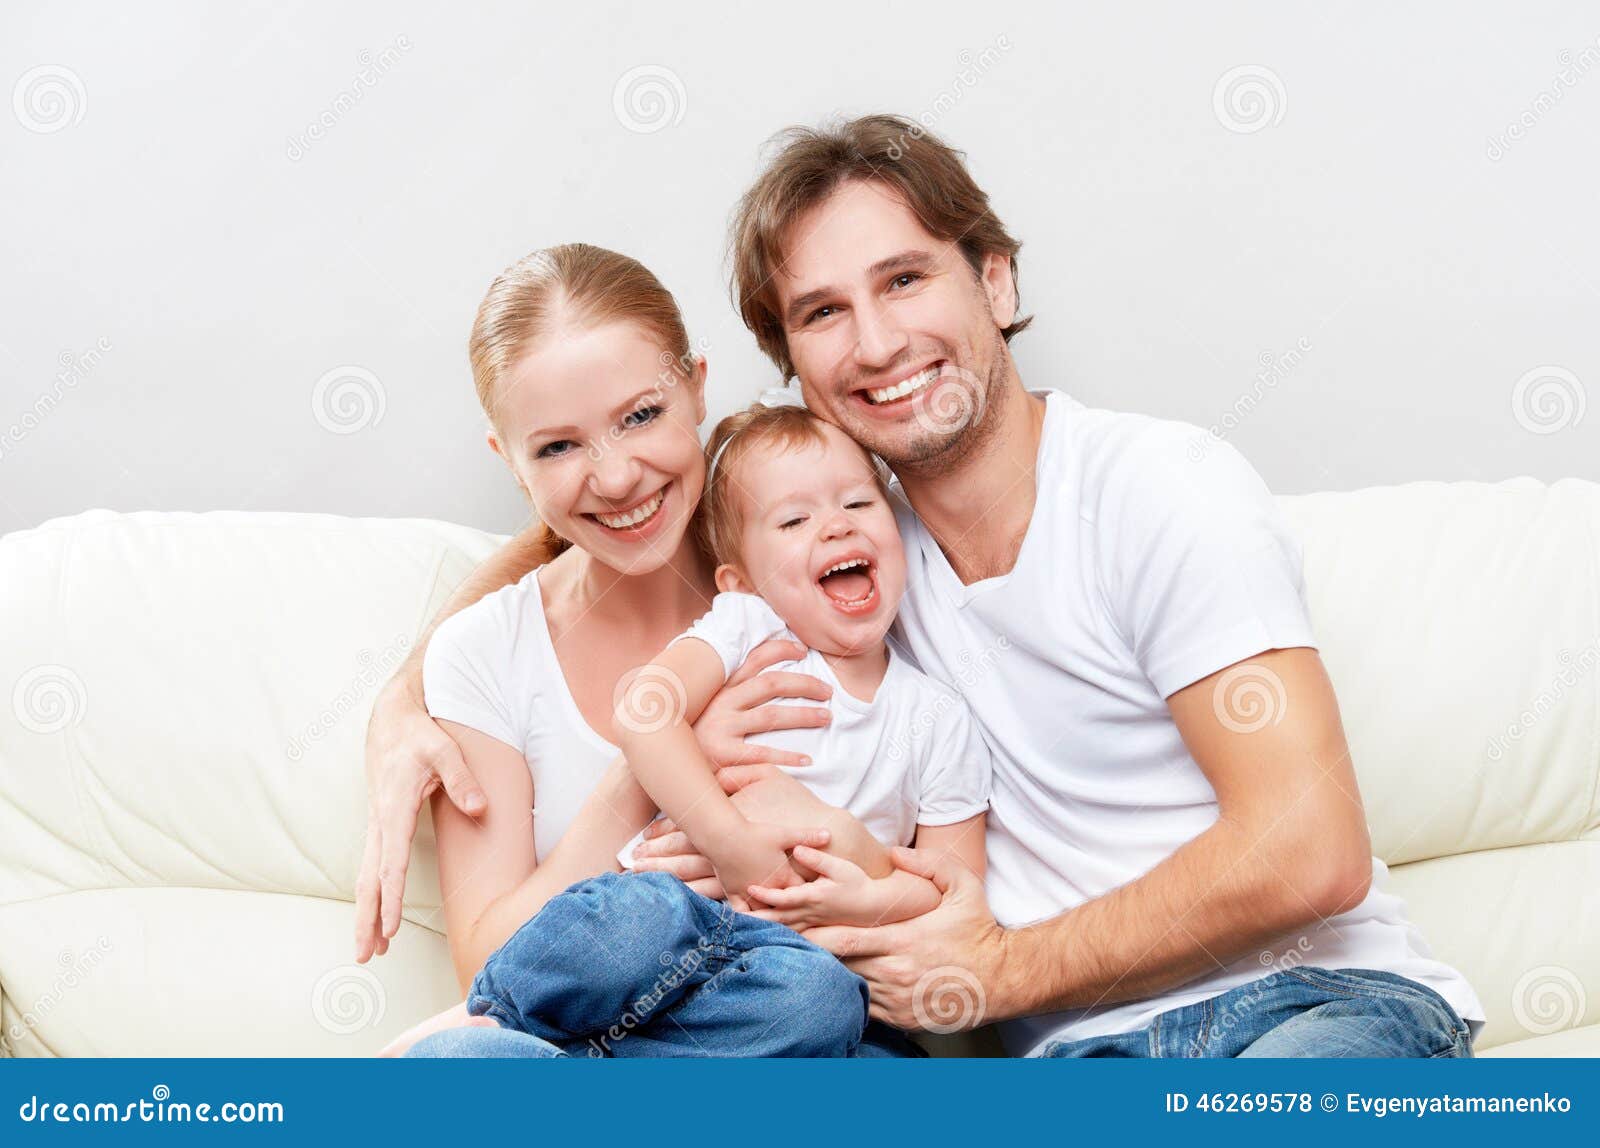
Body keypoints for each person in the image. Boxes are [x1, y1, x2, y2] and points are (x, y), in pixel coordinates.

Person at [363, 114, 1485, 1058]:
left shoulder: (1156, 487)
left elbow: (1312, 847)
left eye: (905, 278)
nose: (880, 339)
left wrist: (998, 965)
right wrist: (402, 697)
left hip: (1309, 1007)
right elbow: (607, 528)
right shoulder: (849, 550)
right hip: (1068, 1058)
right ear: (791, 369)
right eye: (822, 312)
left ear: (994, 279)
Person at [383, 397, 989, 1057]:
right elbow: (644, 712)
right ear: (741, 583)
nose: (836, 529)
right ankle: (498, 1012)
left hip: (785, 974)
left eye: (858, 504)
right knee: (641, 915)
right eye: (793, 519)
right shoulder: (747, 627)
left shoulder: (940, 720)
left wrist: (861, 896)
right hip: (679, 932)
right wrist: (728, 841)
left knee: (827, 1000)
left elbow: (951, 899)